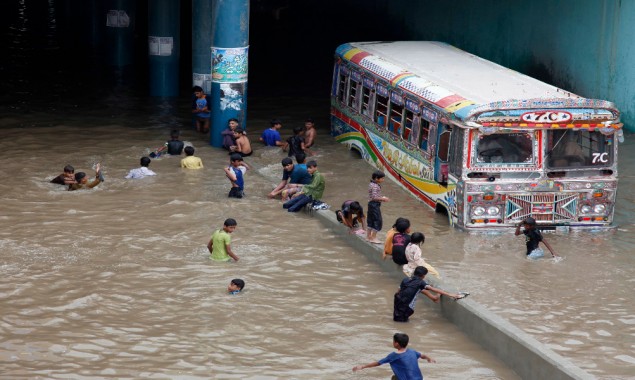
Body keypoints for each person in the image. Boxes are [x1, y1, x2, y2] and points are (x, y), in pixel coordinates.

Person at [393, 266, 465, 322]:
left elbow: (398, 292)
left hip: (397, 305)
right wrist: (451, 294)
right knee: (404, 322)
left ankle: (434, 298)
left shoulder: (405, 280)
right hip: (406, 309)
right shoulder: (420, 282)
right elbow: (432, 289)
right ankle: (435, 298)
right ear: (423, 276)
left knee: (416, 289)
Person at [352, 333, 435, 379]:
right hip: (419, 378)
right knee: (394, 378)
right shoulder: (412, 351)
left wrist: (363, 366)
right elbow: (422, 355)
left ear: (396, 343)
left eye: (393, 341)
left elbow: (378, 363)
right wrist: (429, 358)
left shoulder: (394, 356)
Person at [367, 170, 390, 244]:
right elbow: (374, 197)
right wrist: (383, 199)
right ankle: (373, 237)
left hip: (371, 204)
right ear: (377, 178)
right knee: (378, 220)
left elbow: (373, 196)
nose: (383, 180)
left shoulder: (371, 184)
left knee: (371, 220)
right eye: (382, 178)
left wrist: (381, 198)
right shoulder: (375, 186)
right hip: (374, 205)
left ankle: (368, 236)